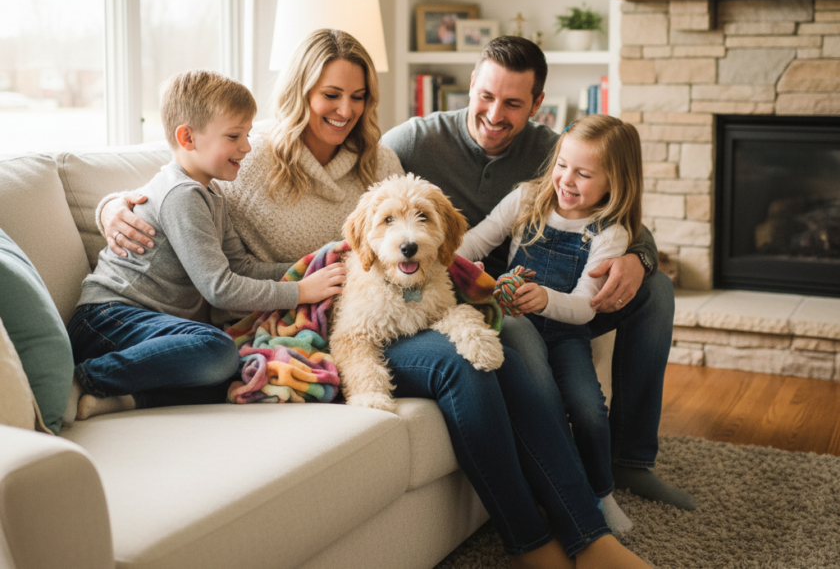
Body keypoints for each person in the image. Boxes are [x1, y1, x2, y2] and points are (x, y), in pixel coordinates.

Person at [96, 29, 651, 568]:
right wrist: (113, 205)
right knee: (463, 365)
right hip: (310, 324)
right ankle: (530, 540)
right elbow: (179, 181)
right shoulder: (251, 155)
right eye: (330, 95)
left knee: (501, 339)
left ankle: (586, 532)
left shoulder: (381, 158)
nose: (345, 110)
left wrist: (637, 254)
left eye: (358, 97)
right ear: (301, 93)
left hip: (405, 301)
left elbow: (598, 191)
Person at [382, 35, 696, 511]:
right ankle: (563, 472)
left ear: (537, 104)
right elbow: (373, 213)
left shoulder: (558, 154)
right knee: (524, 336)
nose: (494, 114)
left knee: (657, 291)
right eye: (486, 96)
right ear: (471, 85)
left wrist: (639, 258)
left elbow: (625, 220)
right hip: (470, 293)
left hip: (562, 295)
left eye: (512, 103)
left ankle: (631, 459)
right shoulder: (412, 141)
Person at [65, 69, 346, 423]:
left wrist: (312, 266)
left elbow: (241, 268)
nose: (246, 146)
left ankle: (125, 399)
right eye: (234, 136)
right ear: (187, 137)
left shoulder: (210, 195)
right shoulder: (181, 195)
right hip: (107, 320)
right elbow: (220, 289)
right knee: (218, 350)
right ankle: (82, 379)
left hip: (150, 330)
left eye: (247, 134)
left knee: (240, 373)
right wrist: (300, 292)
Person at [458, 114, 645, 532]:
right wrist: (449, 257)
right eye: (562, 165)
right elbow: (476, 239)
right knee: (541, 404)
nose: (566, 179)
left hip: (565, 333)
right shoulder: (526, 199)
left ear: (613, 183)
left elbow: (585, 307)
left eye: (583, 173)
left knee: (589, 410)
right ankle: (552, 488)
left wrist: (544, 298)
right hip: (511, 327)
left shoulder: (608, 233)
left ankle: (601, 492)